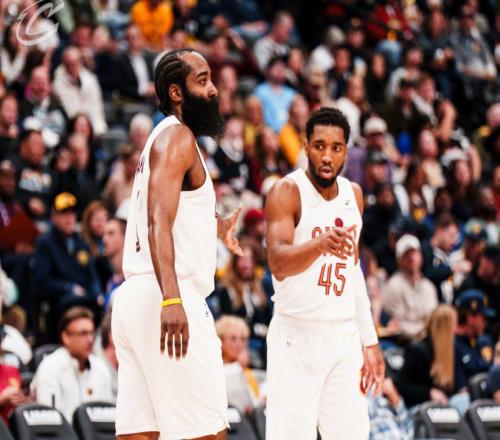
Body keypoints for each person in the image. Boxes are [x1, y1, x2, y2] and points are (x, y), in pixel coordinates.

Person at [112, 48, 243, 440]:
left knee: (142, 434)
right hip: (168, 294)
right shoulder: (178, 138)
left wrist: (216, 227)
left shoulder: (163, 138)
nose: (213, 89)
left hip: (134, 299)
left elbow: (168, 212)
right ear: (176, 92)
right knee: (208, 432)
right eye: (202, 80)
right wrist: (172, 299)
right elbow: (158, 220)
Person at [264, 107, 384, 439]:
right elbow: (277, 262)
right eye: (319, 146)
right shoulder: (287, 192)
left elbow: (354, 272)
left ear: (346, 151)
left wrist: (370, 341)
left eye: (336, 147)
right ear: (306, 146)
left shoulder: (353, 195)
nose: (327, 156)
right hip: (296, 336)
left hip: (343, 336)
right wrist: (318, 245)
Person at [31, 307, 113, 422]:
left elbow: (109, 416)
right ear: (66, 337)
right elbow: (50, 422)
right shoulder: (49, 368)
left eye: (92, 333)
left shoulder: (100, 367)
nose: (90, 340)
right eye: (83, 333)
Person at [396, 305, 457, 408]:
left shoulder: (450, 351)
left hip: (441, 406)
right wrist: (429, 392)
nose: (456, 330)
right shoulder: (417, 350)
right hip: (417, 406)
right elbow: (401, 386)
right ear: (445, 329)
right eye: (454, 325)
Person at [382, 234, 438, 341]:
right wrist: (425, 331)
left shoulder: (428, 286)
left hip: (430, 338)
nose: (411, 258)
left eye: (414, 253)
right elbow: (397, 325)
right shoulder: (394, 285)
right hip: (407, 342)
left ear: (420, 256)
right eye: (406, 254)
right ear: (398, 260)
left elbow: (433, 318)